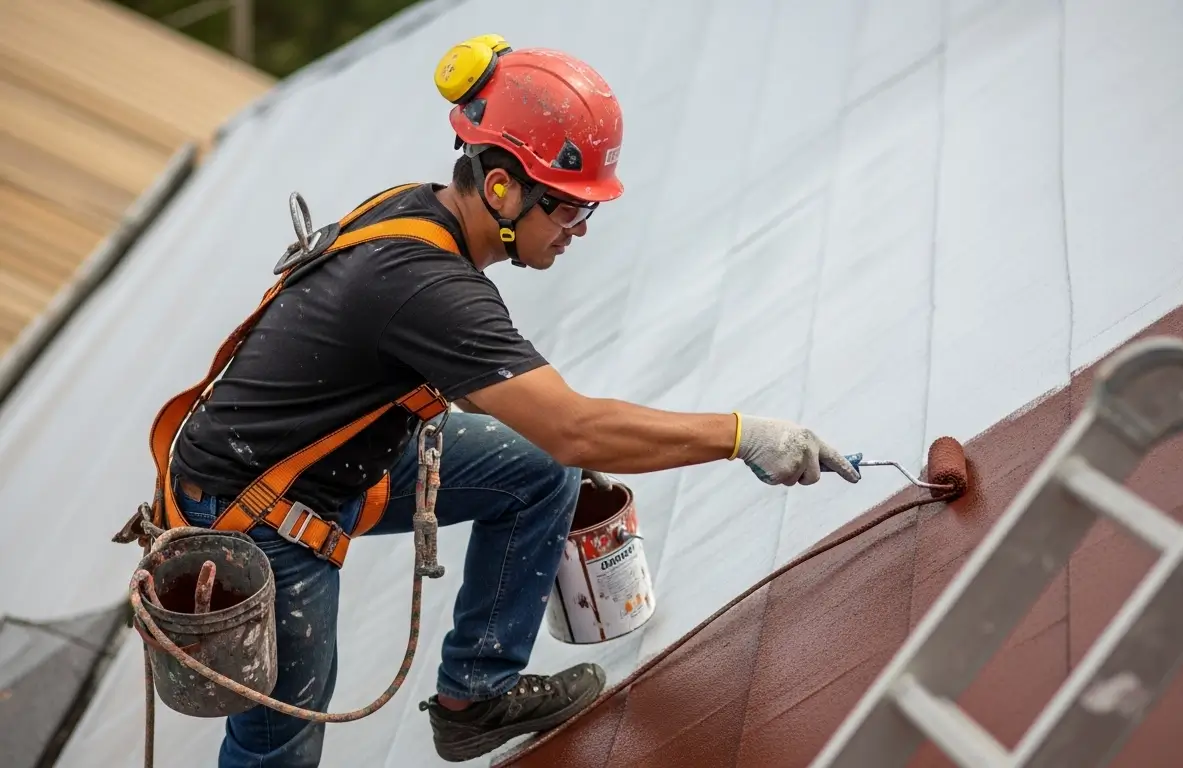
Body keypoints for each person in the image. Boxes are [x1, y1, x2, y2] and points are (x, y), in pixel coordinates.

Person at [159, 35, 860, 766]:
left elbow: (532, 421)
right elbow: (577, 428)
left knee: (535, 469)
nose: (578, 231)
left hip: (324, 470)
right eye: (565, 210)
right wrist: (743, 434)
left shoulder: (423, 220)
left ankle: (475, 701)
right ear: (501, 186)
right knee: (282, 741)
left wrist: (558, 437)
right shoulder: (430, 288)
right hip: (254, 513)